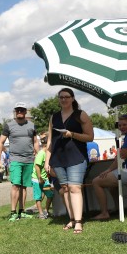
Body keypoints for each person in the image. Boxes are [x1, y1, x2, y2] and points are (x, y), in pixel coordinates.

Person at [44, 88, 94, 233]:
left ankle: (78, 222)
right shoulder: (54, 117)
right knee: (65, 189)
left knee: (74, 188)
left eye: (66, 97)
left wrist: (72, 134)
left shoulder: (81, 115)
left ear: (72, 98)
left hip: (77, 157)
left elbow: (90, 137)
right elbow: (50, 142)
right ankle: (71, 219)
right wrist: (47, 161)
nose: (64, 99)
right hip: (58, 158)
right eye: (61, 97)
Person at [91, 114, 127, 220]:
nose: (122, 127)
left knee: (96, 182)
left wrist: (108, 170)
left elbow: (121, 157)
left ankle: (104, 213)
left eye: (124, 124)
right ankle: (118, 208)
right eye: (120, 125)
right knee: (111, 185)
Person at [0, 102, 38, 221]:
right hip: (15, 159)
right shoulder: (9, 126)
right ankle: (13, 212)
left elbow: (35, 141)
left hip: (29, 160)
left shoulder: (31, 125)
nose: (19, 112)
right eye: (17, 110)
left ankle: (22, 211)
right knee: (15, 185)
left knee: (24, 187)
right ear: (15, 112)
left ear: (25, 112)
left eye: (22, 110)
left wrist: (39, 155)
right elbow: (0, 142)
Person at [32, 132, 54, 219]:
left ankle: (46, 211)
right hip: (37, 179)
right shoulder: (41, 153)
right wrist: (39, 177)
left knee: (50, 195)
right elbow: (37, 166)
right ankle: (41, 214)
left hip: (44, 179)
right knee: (38, 197)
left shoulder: (47, 153)